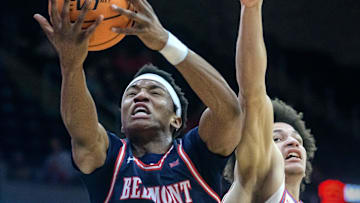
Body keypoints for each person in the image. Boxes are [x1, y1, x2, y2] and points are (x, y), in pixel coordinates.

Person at [34, 0, 242, 202]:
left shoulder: (195, 154)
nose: (140, 96)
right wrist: (71, 67)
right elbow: (81, 133)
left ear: (176, 120)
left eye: (155, 92)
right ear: (122, 123)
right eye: (131, 94)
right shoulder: (110, 159)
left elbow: (230, 113)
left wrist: (166, 42)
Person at [221, 0, 317, 202]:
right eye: (276, 139)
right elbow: (252, 95)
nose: (292, 142)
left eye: (296, 140)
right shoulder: (251, 184)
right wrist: (251, 8)